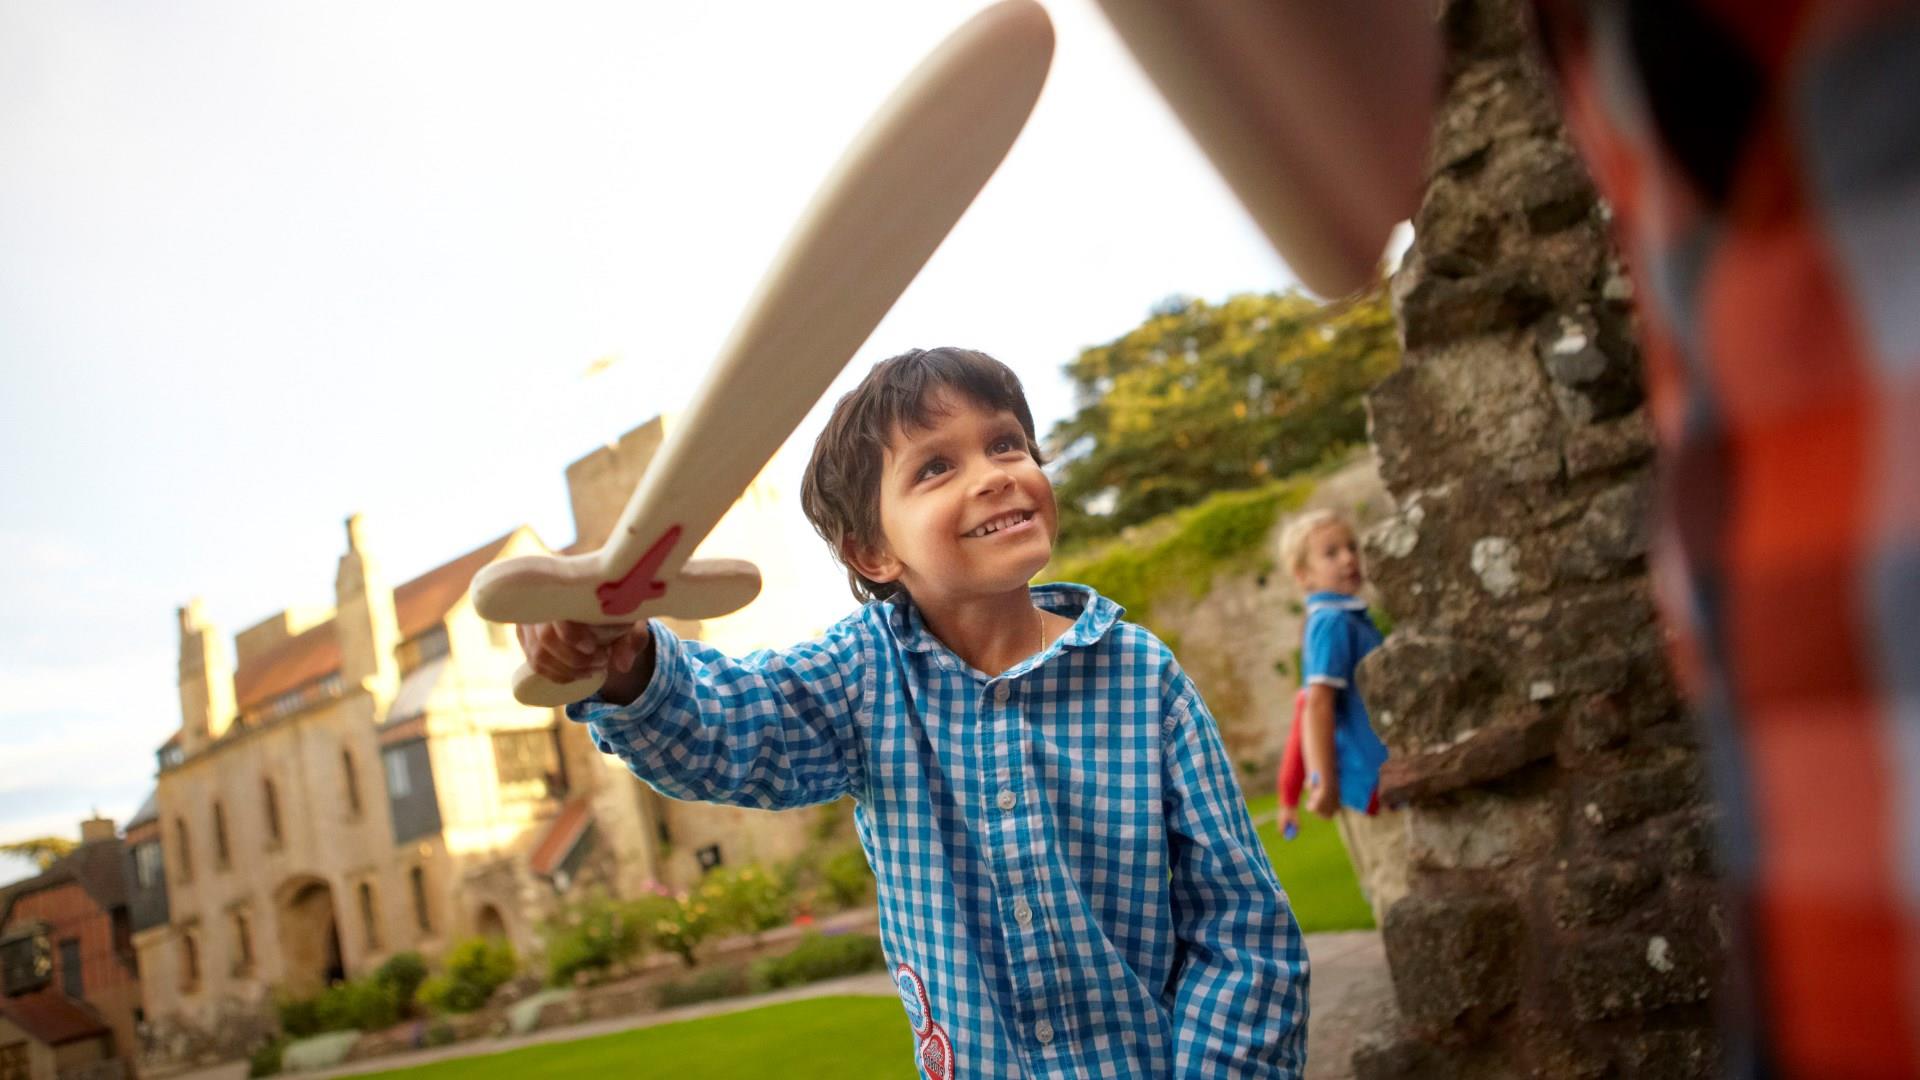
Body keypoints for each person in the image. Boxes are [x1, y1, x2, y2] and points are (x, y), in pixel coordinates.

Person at [515, 347, 1308, 1078]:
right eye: (936, 467)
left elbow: (1238, 923)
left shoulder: (1143, 677)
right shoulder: (862, 677)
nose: (996, 473)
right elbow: (734, 730)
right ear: (874, 553)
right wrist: (630, 667)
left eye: (1007, 444)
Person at [1271, 509, 1405, 923]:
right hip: (1367, 783)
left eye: (1352, 548)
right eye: (1331, 553)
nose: (1349, 559)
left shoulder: (1347, 617)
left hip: (1377, 778)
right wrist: (1323, 782)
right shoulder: (1330, 622)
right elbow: (1317, 704)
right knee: (1396, 881)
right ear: (1303, 576)